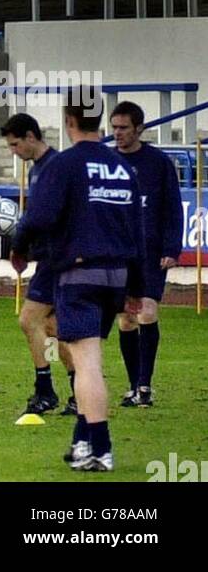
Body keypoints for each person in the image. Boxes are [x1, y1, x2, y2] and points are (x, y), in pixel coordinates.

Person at [11, 89, 145, 472]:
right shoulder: (122, 168)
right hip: (116, 276)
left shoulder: (64, 165)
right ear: (100, 119)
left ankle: (100, 448)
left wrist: (19, 247)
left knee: (86, 365)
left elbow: (38, 217)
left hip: (79, 274)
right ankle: (82, 441)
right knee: (91, 360)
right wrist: (136, 288)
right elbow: (137, 230)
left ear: (69, 121)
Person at [0, 113, 76, 417]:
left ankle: (45, 391)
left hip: (57, 260)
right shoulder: (38, 169)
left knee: (28, 320)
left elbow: (45, 216)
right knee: (53, 327)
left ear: (31, 136)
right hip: (51, 256)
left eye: (15, 144)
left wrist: (20, 245)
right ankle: (78, 391)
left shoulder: (53, 168)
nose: (13, 151)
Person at [110, 101, 184, 407]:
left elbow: (172, 206)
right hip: (117, 252)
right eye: (114, 128)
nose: (118, 134)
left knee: (147, 311)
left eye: (124, 128)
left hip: (151, 252)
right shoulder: (108, 162)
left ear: (139, 128)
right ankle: (132, 385)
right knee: (126, 320)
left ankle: (145, 386)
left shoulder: (158, 162)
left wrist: (171, 247)